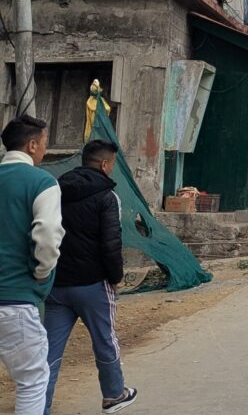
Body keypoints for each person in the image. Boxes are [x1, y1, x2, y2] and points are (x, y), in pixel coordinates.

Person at [43, 140, 137, 415]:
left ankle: (39, 405)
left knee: (49, 350)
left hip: (57, 284)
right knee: (105, 339)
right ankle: (113, 394)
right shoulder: (108, 197)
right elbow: (111, 244)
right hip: (94, 284)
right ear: (106, 165)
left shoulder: (55, 191)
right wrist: (116, 277)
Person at [0, 114, 64, 415]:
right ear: (32, 144)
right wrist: (42, 271)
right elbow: (48, 235)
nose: (45, 151)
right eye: (45, 144)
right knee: (32, 380)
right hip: (16, 299)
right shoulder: (42, 182)